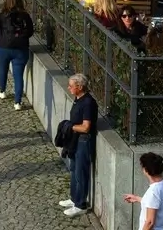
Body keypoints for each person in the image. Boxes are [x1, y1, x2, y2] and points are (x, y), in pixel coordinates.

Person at [59, 73, 97, 217]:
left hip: (84, 140)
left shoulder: (88, 103)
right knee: (74, 169)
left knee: (81, 172)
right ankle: (74, 198)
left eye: (71, 86)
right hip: (75, 140)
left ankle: (81, 204)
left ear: (80, 87)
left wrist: (69, 127)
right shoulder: (78, 99)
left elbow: (86, 127)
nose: (68, 88)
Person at [0, 0, 33, 110]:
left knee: (3, 69)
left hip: (4, 47)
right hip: (21, 49)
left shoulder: (2, 15)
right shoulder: (25, 15)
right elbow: (30, 31)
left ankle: (2, 90)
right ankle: (17, 102)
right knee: (18, 76)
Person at [122, 152, 163, 230]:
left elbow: (150, 222)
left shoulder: (153, 191)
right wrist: (137, 198)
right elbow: (156, 204)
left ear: (146, 170)